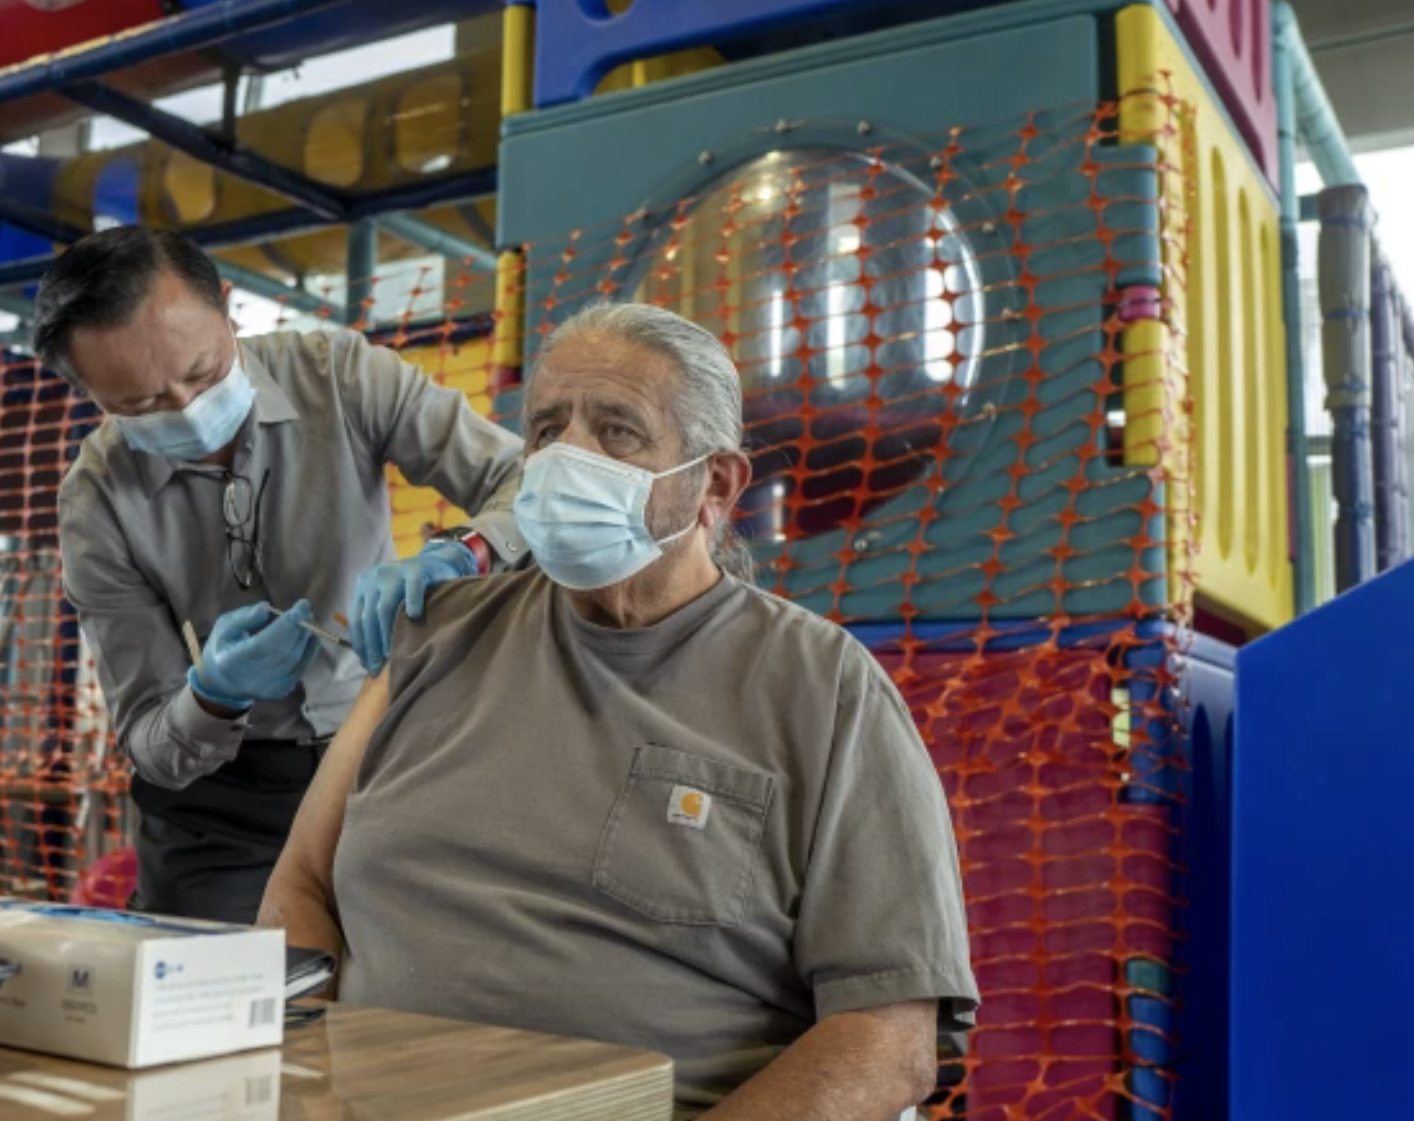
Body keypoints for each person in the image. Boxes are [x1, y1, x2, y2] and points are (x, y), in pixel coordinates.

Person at [260, 301, 978, 1118]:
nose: (567, 456)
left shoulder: (822, 690)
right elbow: (302, 885)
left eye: (616, 431)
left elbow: (887, 1041)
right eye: (546, 429)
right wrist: (302, 1081)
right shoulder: (437, 635)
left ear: (714, 485)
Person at [40, 225, 524, 923]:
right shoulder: (96, 502)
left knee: (415, 984)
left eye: (203, 372)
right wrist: (211, 697)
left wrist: (467, 552)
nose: (185, 408)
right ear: (89, 393)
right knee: (210, 1003)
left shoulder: (343, 376)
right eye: (140, 404)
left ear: (228, 307)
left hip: (386, 757)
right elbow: (151, 742)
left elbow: (526, 484)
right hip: (220, 807)